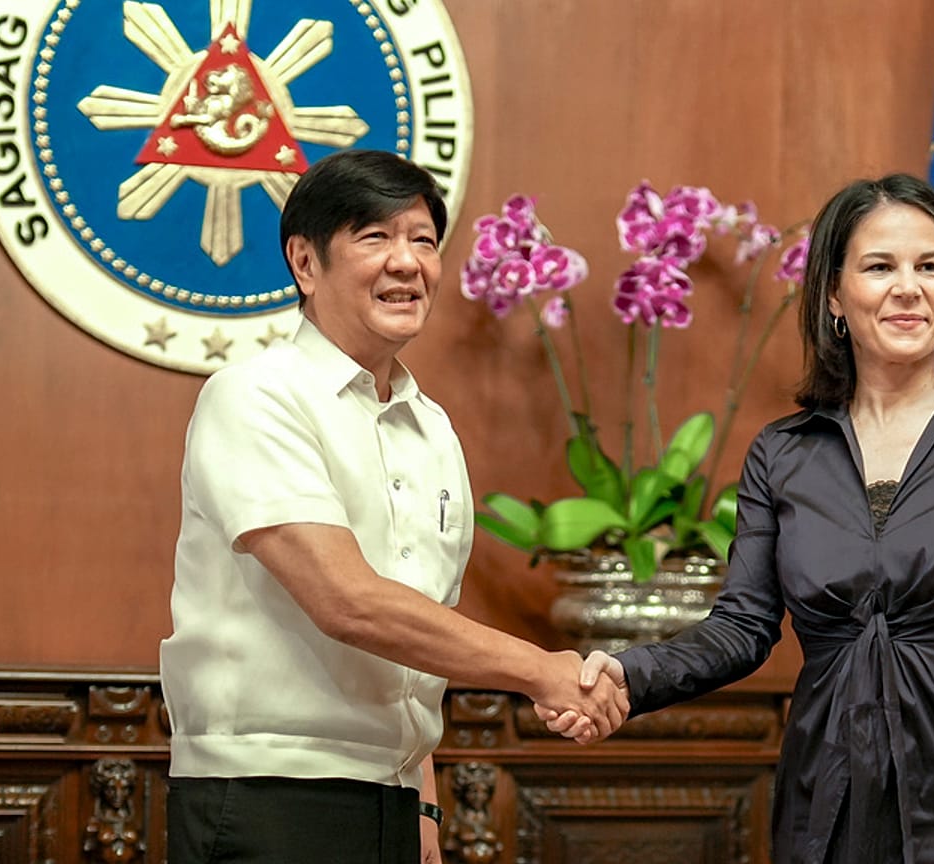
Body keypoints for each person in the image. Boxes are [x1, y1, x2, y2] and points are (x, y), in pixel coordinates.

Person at [545, 173, 934, 863]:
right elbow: (742, 628)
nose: (908, 287)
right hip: (824, 801)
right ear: (834, 294)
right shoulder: (783, 452)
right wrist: (628, 675)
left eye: (929, 266)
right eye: (879, 267)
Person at [160, 149, 627, 864]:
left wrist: (423, 802)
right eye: (374, 238)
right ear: (306, 264)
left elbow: (413, 639)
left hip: (390, 800)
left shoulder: (431, 427)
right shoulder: (256, 397)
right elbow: (347, 603)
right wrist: (541, 669)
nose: (406, 262)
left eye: (422, 240)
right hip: (267, 796)